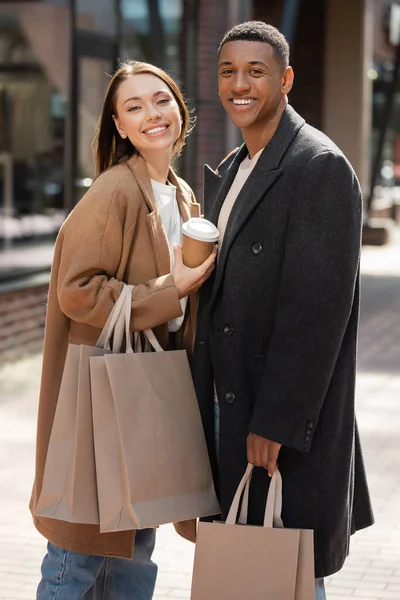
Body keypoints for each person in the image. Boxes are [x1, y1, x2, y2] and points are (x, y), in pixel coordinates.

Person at [192, 21, 374, 597]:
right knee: (249, 564)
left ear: (286, 79)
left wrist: (275, 421)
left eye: (255, 71)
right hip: (231, 399)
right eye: (227, 71)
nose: (238, 84)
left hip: (277, 420)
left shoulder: (317, 166)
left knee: (284, 566)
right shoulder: (236, 166)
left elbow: (316, 312)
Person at [30, 59, 217, 600]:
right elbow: (77, 290)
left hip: (145, 398)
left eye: (160, 100)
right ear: (119, 126)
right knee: (79, 554)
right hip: (103, 401)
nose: (151, 114)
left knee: (134, 552)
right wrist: (171, 289)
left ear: (179, 108)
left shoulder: (180, 196)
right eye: (133, 107)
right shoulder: (114, 191)